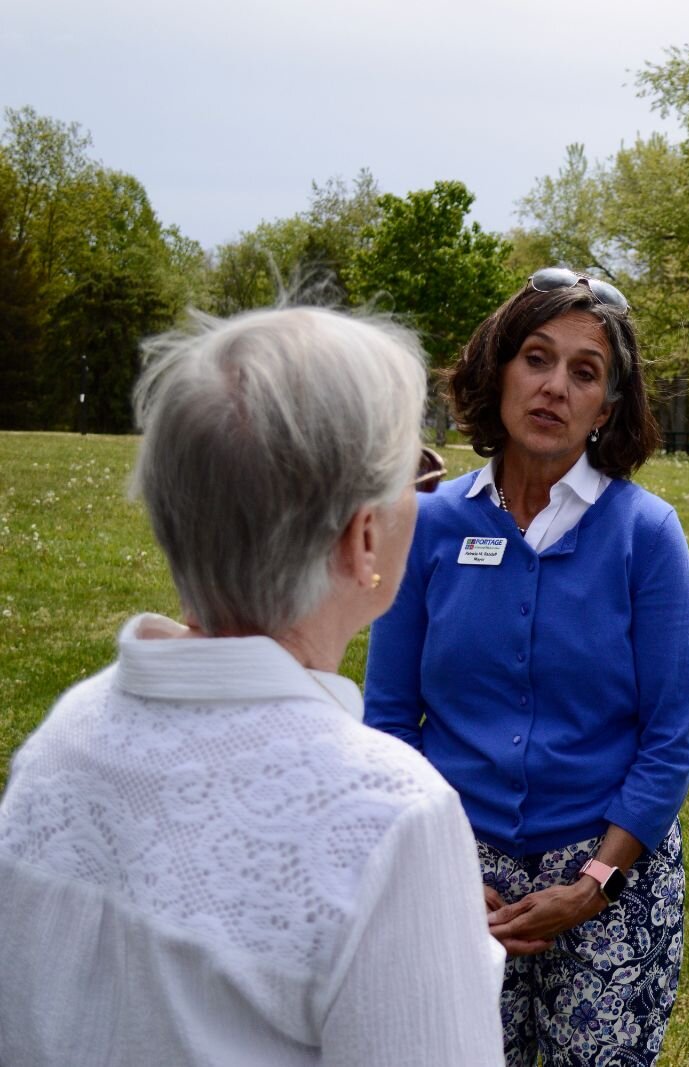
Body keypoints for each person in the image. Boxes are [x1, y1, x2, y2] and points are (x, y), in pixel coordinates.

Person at [0, 307, 504, 1066]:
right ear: (363, 536)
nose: (426, 497)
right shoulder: (389, 816)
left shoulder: (71, 728)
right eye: (415, 473)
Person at [364, 268, 689, 1067]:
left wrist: (592, 886)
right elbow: (386, 721)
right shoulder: (431, 525)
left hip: (606, 867)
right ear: (498, 370)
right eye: (536, 358)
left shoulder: (644, 534)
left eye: (584, 372)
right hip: (455, 870)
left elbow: (667, 741)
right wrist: (437, 870)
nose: (555, 386)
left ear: (608, 405)